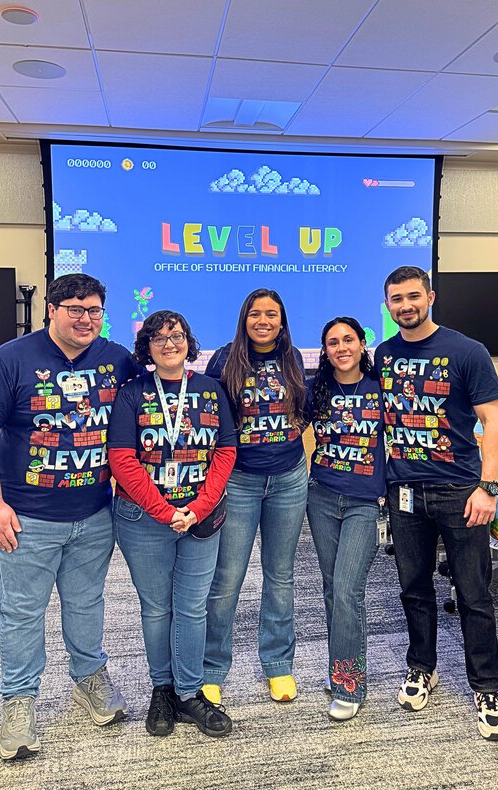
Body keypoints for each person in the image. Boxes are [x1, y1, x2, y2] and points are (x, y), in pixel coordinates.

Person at [0, 273, 140, 760]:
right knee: (21, 614)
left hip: (95, 513)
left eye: (95, 311)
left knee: (87, 605)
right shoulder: (11, 359)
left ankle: (88, 679)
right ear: (53, 311)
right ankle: (18, 704)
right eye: (76, 310)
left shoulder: (117, 359)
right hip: (28, 518)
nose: (86, 320)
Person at [375, 265, 498, 741]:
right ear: (387, 304)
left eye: (414, 296)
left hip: (460, 492)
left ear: (430, 296)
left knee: (473, 595)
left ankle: (488, 687)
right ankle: (421, 667)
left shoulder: (466, 350)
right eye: (396, 299)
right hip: (404, 493)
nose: (406, 306)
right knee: (413, 589)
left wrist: (488, 487)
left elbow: (494, 419)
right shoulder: (384, 354)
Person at [107, 310, 236, 738]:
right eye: (158, 338)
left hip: (200, 517)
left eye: (176, 335)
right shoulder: (131, 394)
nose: (169, 344)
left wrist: (198, 507)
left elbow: (225, 452)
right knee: (158, 608)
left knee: (192, 607)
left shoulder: (211, 391)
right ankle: (162, 689)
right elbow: (122, 460)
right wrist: (165, 512)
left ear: (188, 341)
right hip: (143, 519)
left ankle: (189, 692)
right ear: (147, 346)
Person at [202, 288, 308, 704]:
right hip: (239, 481)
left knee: (280, 578)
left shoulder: (294, 357)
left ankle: (279, 666)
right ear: (244, 318)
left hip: (288, 479)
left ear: (282, 321)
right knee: (226, 581)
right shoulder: (223, 359)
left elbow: (302, 406)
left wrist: (289, 434)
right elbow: (209, 417)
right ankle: (212, 668)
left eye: (272, 314)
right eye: (255, 314)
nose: (263, 321)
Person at [306, 317, 386, 721]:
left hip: (364, 503)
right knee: (331, 588)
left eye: (348, 340)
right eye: (333, 342)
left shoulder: (381, 387)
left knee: (347, 589)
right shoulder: (315, 389)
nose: (341, 347)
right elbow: (283, 431)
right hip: (320, 497)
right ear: (325, 349)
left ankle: (349, 683)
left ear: (361, 343)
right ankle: (340, 668)